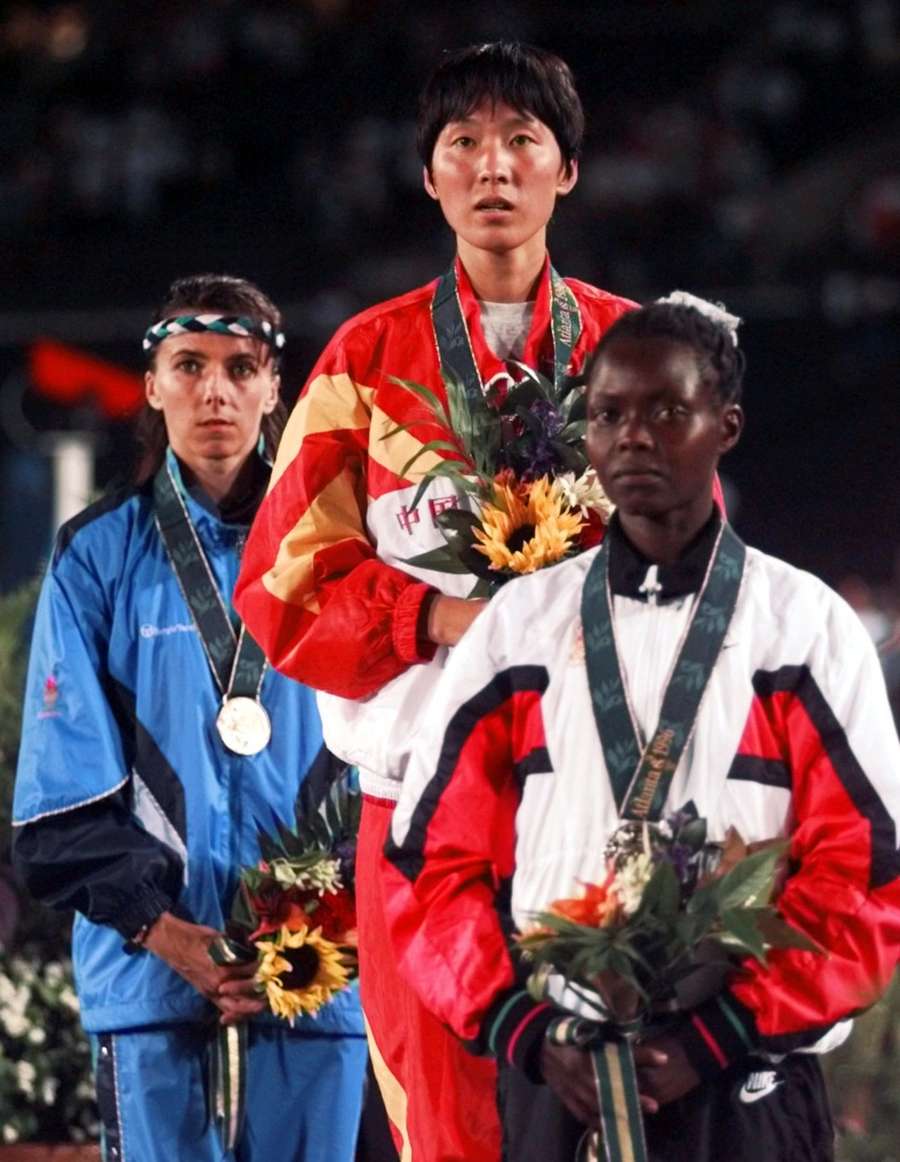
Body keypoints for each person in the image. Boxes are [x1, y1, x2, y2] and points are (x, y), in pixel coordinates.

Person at [233, 41, 636, 1160]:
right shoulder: (365, 359)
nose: (492, 167)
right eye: (465, 144)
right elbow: (281, 585)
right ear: (430, 177)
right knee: (443, 1126)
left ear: (568, 170)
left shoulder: (632, 354)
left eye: (522, 142)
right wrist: (441, 619)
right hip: (415, 810)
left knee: (607, 1111)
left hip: (596, 803)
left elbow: (698, 566)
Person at [382, 296, 900, 1162]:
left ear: (725, 426)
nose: (633, 436)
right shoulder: (523, 627)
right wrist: (523, 1030)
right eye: (610, 414)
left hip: (745, 1089)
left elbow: (867, 874)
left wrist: (717, 1035)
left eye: (668, 410)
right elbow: (429, 865)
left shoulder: (802, 628)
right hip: (563, 1078)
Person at [12, 275, 367, 1162]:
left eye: (241, 366)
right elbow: (61, 791)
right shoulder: (94, 558)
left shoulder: (344, 548)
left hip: (318, 978)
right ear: (153, 384)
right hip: (149, 979)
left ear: (274, 387)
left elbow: (389, 756)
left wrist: (322, 929)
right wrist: (165, 933)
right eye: (190, 365)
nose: (215, 389)